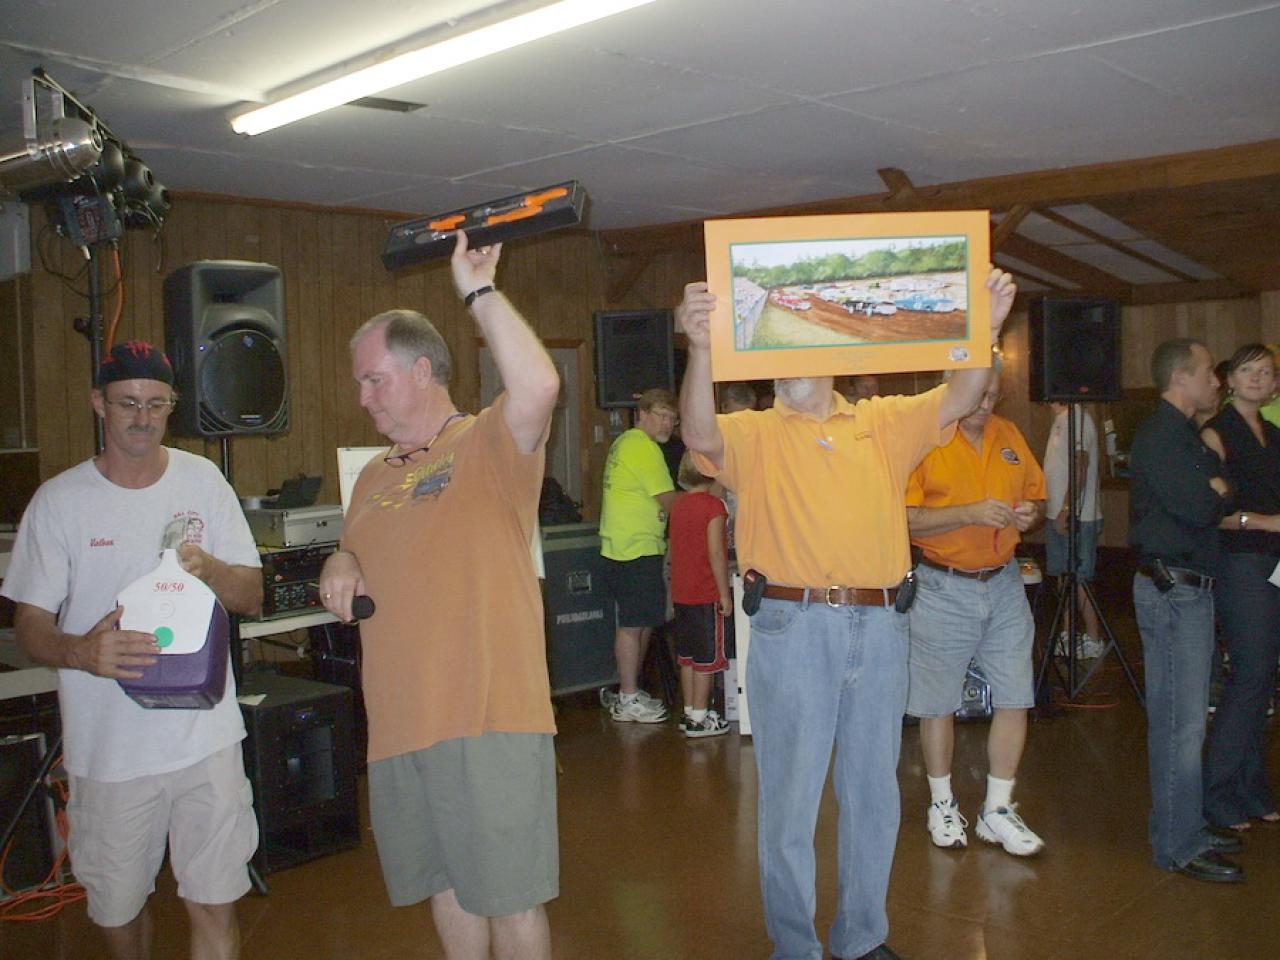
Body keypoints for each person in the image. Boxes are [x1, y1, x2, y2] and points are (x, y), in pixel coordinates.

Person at [678, 268, 1017, 960]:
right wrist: (701, 346)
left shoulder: (881, 421)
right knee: (790, 801)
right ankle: (796, 947)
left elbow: (963, 392)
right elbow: (697, 431)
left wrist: (983, 326)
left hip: (883, 624)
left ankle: (862, 939)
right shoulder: (753, 431)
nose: (791, 359)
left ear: (834, 352)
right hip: (793, 625)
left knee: (873, 796)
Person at [319, 232, 561, 957]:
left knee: (510, 895)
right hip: (399, 724)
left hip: (485, 716)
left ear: (421, 370)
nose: (362, 397)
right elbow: (361, 547)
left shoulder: (486, 445)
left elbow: (540, 387)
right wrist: (340, 556)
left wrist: (478, 292)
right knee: (445, 887)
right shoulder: (372, 476)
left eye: (374, 380)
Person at [1, 340, 263, 960]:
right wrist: (81, 652)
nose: (142, 417)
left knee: (214, 903)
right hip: (110, 752)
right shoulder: (60, 502)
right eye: (127, 403)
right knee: (119, 912)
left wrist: (210, 569)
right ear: (99, 403)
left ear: (172, 405)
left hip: (205, 741)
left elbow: (251, 595)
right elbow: (29, 625)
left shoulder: (204, 481)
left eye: (156, 403)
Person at [905, 360, 1047, 856]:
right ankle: (941, 802)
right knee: (937, 703)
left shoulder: (1008, 435)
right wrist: (968, 513)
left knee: (1015, 696)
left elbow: (1037, 498)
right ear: (951, 387)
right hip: (943, 586)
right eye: (977, 395)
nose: (985, 405)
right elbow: (905, 518)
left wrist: (1030, 514)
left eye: (992, 396)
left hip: (1004, 582)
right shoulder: (926, 438)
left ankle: (998, 809)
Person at [1129, 337, 1244, 884]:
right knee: (1180, 723)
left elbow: (1225, 489)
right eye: (1207, 372)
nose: (1216, 381)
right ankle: (1179, 844)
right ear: (1180, 377)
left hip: (1187, 591)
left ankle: (1186, 824)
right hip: (1173, 593)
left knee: (1188, 720)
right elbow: (1203, 503)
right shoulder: (1161, 437)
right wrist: (1216, 492)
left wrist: (1218, 491)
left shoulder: (1184, 436)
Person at [1200, 344, 1280, 833]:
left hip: (1273, 562)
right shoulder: (1216, 433)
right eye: (1248, 370)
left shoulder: (1273, 434)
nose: (1257, 378)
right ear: (1229, 379)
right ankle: (1217, 791)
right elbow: (1212, 512)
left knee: (1262, 679)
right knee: (1251, 675)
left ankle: (1250, 788)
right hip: (1240, 563)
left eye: (1266, 372)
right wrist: (1267, 522)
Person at [599, 387, 680, 723]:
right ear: (642, 414)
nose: (667, 424)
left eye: (672, 419)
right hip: (634, 548)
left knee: (642, 621)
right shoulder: (643, 448)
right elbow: (670, 501)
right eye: (661, 415)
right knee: (633, 625)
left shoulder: (625, 442)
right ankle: (628, 696)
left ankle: (629, 691)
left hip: (627, 546)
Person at [669, 451, 732, 738]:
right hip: (706, 592)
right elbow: (716, 553)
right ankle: (700, 716)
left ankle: (689, 710)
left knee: (687, 657)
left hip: (682, 593)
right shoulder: (714, 507)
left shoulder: (678, 506)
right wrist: (724, 594)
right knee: (706, 659)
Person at [1043, 401, 1103, 658]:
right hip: (1056, 514)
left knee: (1079, 579)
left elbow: (1081, 463)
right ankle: (1068, 634)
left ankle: (1094, 638)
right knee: (1064, 577)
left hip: (1078, 517)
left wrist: (1067, 508)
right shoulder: (1061, 419)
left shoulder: (1077, 418)